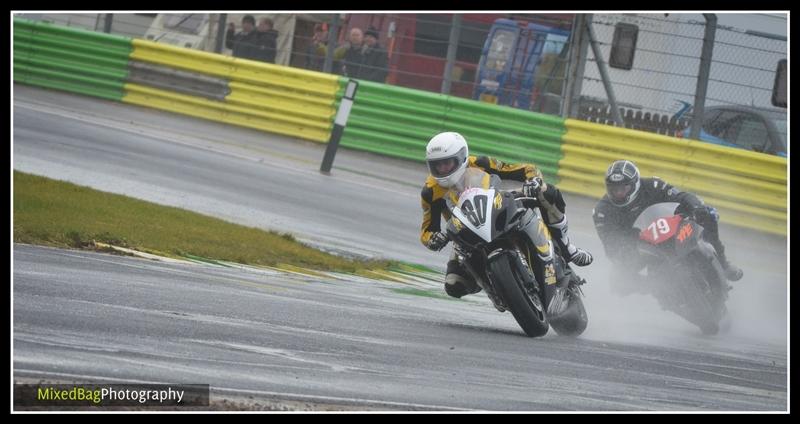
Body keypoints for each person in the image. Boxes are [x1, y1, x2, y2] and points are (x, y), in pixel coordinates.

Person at [420, 132, 593, 299]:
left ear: (461, 157)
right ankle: (494, 289)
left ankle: (567, 248)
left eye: (447, 163)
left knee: (546, 192)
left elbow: (523, 169)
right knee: (454, 285)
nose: (441, 169)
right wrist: (434, 239)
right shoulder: (430, 191)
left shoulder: (480, 163)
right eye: (437, 165)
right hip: (463, 231)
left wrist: (534, 181)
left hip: (496, 206)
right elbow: (427, 230)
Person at [592, 159, 743, 292]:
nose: (618, 193)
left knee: (708, 215)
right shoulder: (602, 212)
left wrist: (696, 207)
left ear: (634, 185)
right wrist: (625, 254)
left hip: (668, 229)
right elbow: (610, 245)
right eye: (613, 189)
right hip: (639, 246)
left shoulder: (652, 185)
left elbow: (680, 196)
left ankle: (724, 264)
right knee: (618, 282)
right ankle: (657, 289)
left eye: (622, 188)